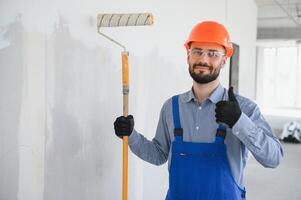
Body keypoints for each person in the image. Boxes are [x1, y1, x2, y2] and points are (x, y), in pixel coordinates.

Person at [113, 21, 283, 200]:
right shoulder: (171, 107)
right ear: (188, 57)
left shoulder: (245, 108)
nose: (203, 60)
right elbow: (158, 154)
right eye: (197, 52)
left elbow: (273, 158)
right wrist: (130, 135)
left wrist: (240, 121)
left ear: (224, 60)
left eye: (213, 54)